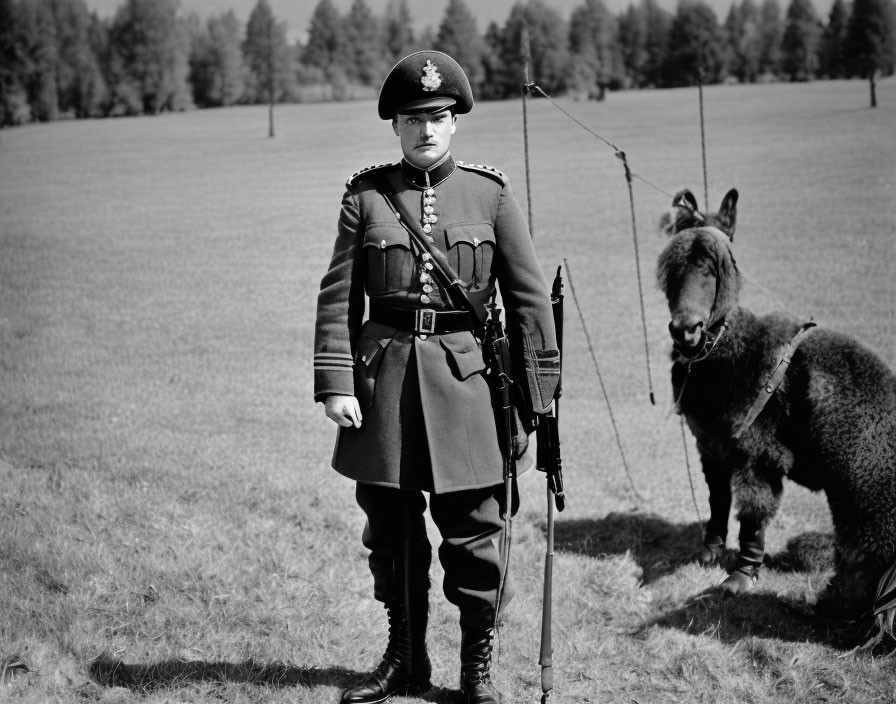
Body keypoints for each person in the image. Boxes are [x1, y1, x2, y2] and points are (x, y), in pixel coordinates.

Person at [313, 50, 559, 704]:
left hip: (470, 388)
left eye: (440, 117)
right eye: (414, 118)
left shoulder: (490, 195)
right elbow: (339, 296)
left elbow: (530, 300)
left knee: (477, 532)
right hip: (384, 389)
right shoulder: (365, 197)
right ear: (394, 125)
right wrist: (337, 382)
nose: (427, 129)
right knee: (391, 534)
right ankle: (405, 660)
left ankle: (476, 669)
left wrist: (537, 397)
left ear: (455, 123)